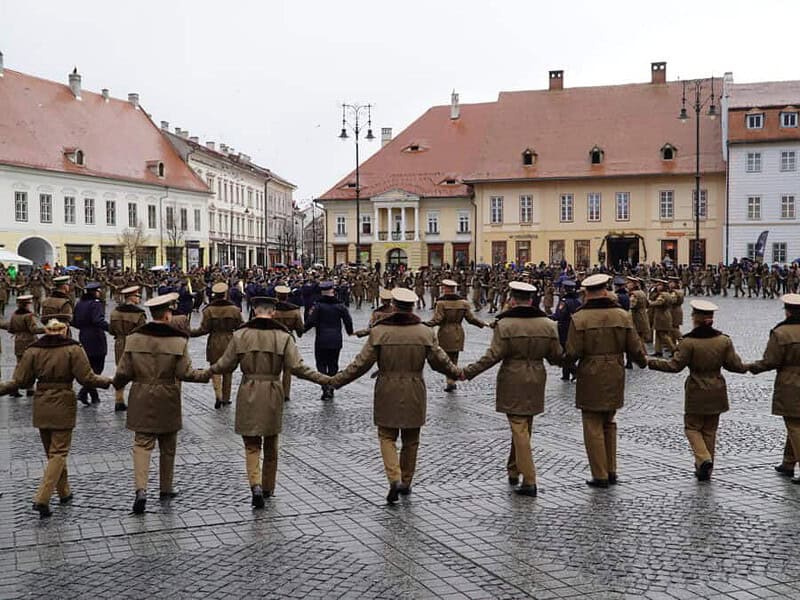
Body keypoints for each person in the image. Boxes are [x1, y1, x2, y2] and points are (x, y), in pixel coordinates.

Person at [330, 288, 460, 503]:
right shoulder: (424, 332)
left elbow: (361, 364)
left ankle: (394, 478)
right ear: (412, 306)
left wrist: (337, 381)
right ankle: (406, 483)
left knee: (387, 436)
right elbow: (440, 361)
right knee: (411, 439)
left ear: (394, 305)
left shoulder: (380, 331)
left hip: (387, 387)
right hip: (414, 387)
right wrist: (458, 373)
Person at [209, 296, 330, 508]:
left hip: (248, 390)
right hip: (273, 390)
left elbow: (224, 365)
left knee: (251, 445)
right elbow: (298, 367)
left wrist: (203, 374)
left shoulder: (240, 335)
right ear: (273, 312)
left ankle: (254, 484)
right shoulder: (283, 337)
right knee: (271, 444)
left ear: (255, 311)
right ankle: (267, 487)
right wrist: (327, 380)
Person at [0, 319, 112, 518]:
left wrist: (3, 388)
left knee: (52, 452)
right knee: (59, 452)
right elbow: (87, 378)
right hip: (63, 401)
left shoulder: (33, 350)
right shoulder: (73, 349)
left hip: (41, 403)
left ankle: (64, 491)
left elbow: (21, 381)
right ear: (65, 330)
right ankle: (42, 497)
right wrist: (110, 381)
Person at [112, 293, 211, 514]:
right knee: (168, 445)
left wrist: (116, 384)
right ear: (167, 315)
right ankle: (165, 487)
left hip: (141, 395)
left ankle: (141, 490)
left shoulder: (134, 339)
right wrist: (207, 375)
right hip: (168, 395)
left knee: (142, 444)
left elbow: (123, 372)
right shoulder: (178, 341)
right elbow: (185, 373)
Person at [462, 281, 562, 497]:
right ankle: (514, 469)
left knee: (519, 427)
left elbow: (492, 356)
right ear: (531, 300)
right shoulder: (548, 324)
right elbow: (556, 357)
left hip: (513, 377)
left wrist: (468, 372)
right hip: (537, 377)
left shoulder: (504, 325)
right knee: (525, 426)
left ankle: (529, 479)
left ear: (513, 300)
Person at [648, 300, 747, 480]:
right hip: (717, 388)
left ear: (695, 318)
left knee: (692, 427)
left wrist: (650, 362)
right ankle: (706, 470)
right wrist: (750, 367)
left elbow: (674, 366)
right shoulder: (723, 340)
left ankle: (703, 458)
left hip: (696, 389)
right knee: (710, 430)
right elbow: (735, 365)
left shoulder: (688, 342)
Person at [565, 273, 647, 488]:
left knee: (592, 424)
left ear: (587, 294)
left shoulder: (579, 318)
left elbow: (572, 352)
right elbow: (635, 348)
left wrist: (561, 362)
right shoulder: (622, 315)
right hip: (615, 371)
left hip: (590, 372)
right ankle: (611, 470)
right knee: (609, 422)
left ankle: (599, 474)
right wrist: (643, 362)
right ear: (605, 290)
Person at [749, 293, 800, 482]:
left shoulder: (781, 333)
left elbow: (771, 360)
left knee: (794, 424)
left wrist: (753, 367)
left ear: (787, 312)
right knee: (796, 423)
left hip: (790, 383)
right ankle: (788, 462)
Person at [425, 278, 485, 392]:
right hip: (458, 332)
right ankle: (452, 380)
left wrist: (425, 324)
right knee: (454, 358)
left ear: (446, 289)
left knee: (445, 359)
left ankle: (450, 381)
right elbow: (471, 319)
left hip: (445, 332)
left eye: (444, 287)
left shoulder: (441, 303)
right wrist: (484, 324)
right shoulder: (463, 303)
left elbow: (437, 319)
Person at [190, 282, 243, 409]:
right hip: (230, 340)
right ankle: (226, 398)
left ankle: (218, 395)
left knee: (215, 369)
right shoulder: (234, 310)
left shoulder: (208, 310)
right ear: (225, 294)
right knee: (228, 370)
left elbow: (203, 329)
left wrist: (190, 332)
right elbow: (241, 326)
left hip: (214, 340)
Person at [304, 280, 353, 400]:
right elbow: (348, 320)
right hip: (336, 339)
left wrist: (302, 330)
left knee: (321, 365)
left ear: (322, 292)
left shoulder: (318, 306)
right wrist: (350, 332)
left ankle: (325, 387)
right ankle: (331, 386)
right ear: (332, 291)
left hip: (321, 339)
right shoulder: (340, 306)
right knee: (333, 364)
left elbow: (310, 322)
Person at [109, 285, 147, 412]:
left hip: (119, 343)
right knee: (138, 373)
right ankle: (137, 400)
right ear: (132, 297)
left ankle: (119, 400)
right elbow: (143, 332)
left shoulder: (115, 312)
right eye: (137, 296)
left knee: (120, 372)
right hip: (135, 344)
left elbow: (111, 330)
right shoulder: (139, 314)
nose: (139, 299)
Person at [72, 282, 109, 405]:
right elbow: (98, 320)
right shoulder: (96, 304)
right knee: (98, 368)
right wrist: (111, 328)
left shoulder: (79, 304)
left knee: (89, 367)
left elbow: (74, 322)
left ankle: (94, 396)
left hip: (84, 336)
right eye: (98, 291)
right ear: (95, 292)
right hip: (96, 337)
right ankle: (83, 392)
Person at [3, 295, 44, 397]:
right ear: (27, 304)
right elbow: (33, 330)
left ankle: (13, 388)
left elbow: (11, 329)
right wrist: (47, 329)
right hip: (30, 342)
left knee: (19, 366)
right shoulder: (29, 316)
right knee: (32, 365)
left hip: (18, 342)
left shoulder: (14, 315)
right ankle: (30, 388)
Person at [271, 285, 305, 402]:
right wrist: (299, 332)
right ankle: (286, 393)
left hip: (273, 338)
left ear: (276, 296)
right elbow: (300, 329)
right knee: (288, 368)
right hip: (288, 339)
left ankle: (274, 391)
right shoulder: (294, 310)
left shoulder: (272, 310)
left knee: (274, 367)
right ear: (287, 296)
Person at [552, 280, 581, 381]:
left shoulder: (564, 301)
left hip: (564, 328)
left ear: (565, 289)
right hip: (575, 327)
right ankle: (566, 375)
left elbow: (559, 315)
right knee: (569, 351)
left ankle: (574, 371)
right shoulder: (578, 301)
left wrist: (550, 317)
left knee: (564, 351)